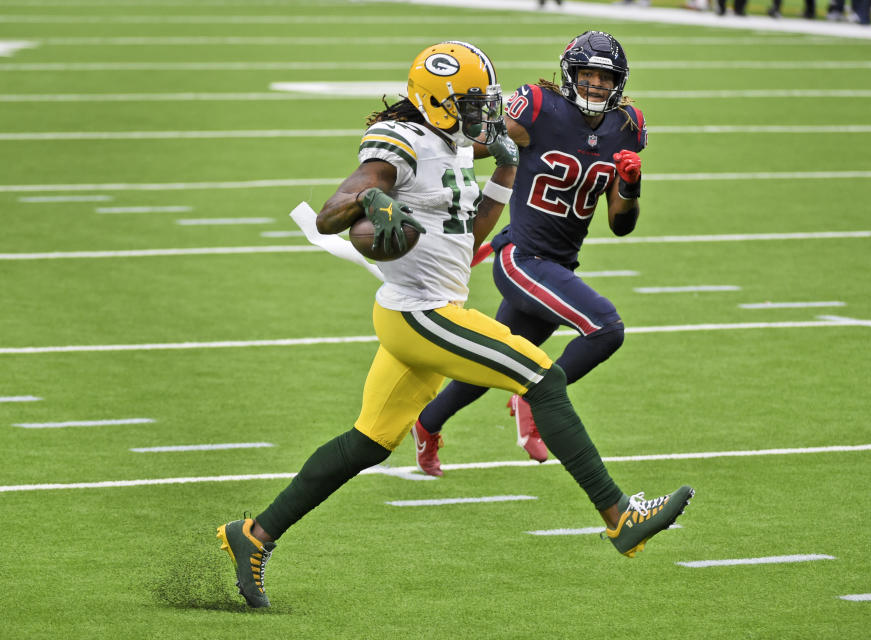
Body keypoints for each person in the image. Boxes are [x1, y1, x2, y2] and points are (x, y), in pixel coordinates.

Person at [216, 40, 694, 609]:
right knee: (542, 377)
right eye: (472, 102)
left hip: (418, 308)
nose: (484, 112)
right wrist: (373, 203)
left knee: (369, 442)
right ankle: (619, 516)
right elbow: (332, 211)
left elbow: (470, 227)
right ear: (440, 101)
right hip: (421, 311)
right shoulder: (405, 141)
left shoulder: (451, 143)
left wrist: (507, 168)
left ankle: (253, 536)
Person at [411, 31, 647, 477]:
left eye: (605, 77)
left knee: (491, 362)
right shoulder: (539, 106)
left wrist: (631, 187)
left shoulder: (626, 126)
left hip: (556, 266)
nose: (596, 84)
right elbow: (471, 145)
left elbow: (621, 223)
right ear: (571, 74)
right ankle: (534, 396)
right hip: (521, 258)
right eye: (588, 74)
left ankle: (427, 424)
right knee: (606, 328)